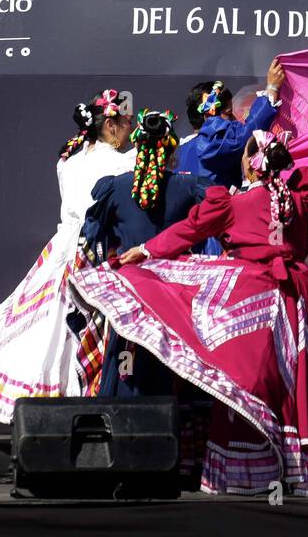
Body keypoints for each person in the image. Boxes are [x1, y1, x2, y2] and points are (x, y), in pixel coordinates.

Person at [68, 98, 308, 496]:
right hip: (297, 298)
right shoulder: (299, 193)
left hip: (253, 296)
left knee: (247, 381)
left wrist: (145, 252)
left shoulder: (233, 203)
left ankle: (253, 465)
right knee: (298, 378)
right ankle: (302, 468)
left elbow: (188, 232)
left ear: (252, 163)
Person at [0, 89, 134, 422]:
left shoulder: (70, 159)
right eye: (127, 122)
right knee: (74, 326)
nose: (131, 127)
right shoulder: (122, 161)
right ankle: (71, 398)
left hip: (64, 248)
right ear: (110, 125)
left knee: (51, 324)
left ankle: (53, 398)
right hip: (94, 248)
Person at [76, 109, 209, 397]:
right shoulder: (186, 186)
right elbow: (219, 209)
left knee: (125, 357)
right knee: (166, 361)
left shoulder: (117, 187)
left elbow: (93, 234)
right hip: (170, 293)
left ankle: (119, 416)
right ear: (170, 147)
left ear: (138, 144)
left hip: (128, 290)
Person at [174, 60, 285, 186]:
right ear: (208, 116)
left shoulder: (177, 151)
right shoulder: (212, 144)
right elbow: (244, 137)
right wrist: (272, 89)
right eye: (229, 113)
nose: (235, 119)